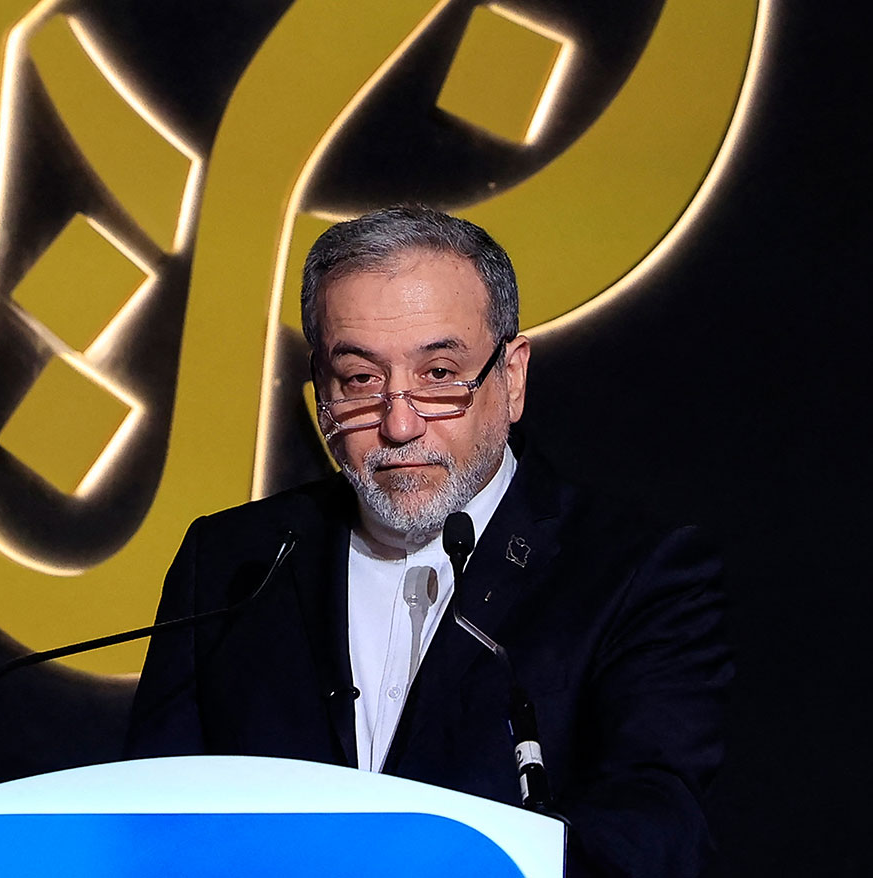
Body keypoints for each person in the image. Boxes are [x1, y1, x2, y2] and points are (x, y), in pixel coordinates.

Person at [125, 205, 731, 877]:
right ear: (320, 389)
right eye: (360, 379)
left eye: (439, 374)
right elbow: (153, 817)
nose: (400, 422)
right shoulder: (234, 562)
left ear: (513, 376)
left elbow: (654, 831)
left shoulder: (632, 572)